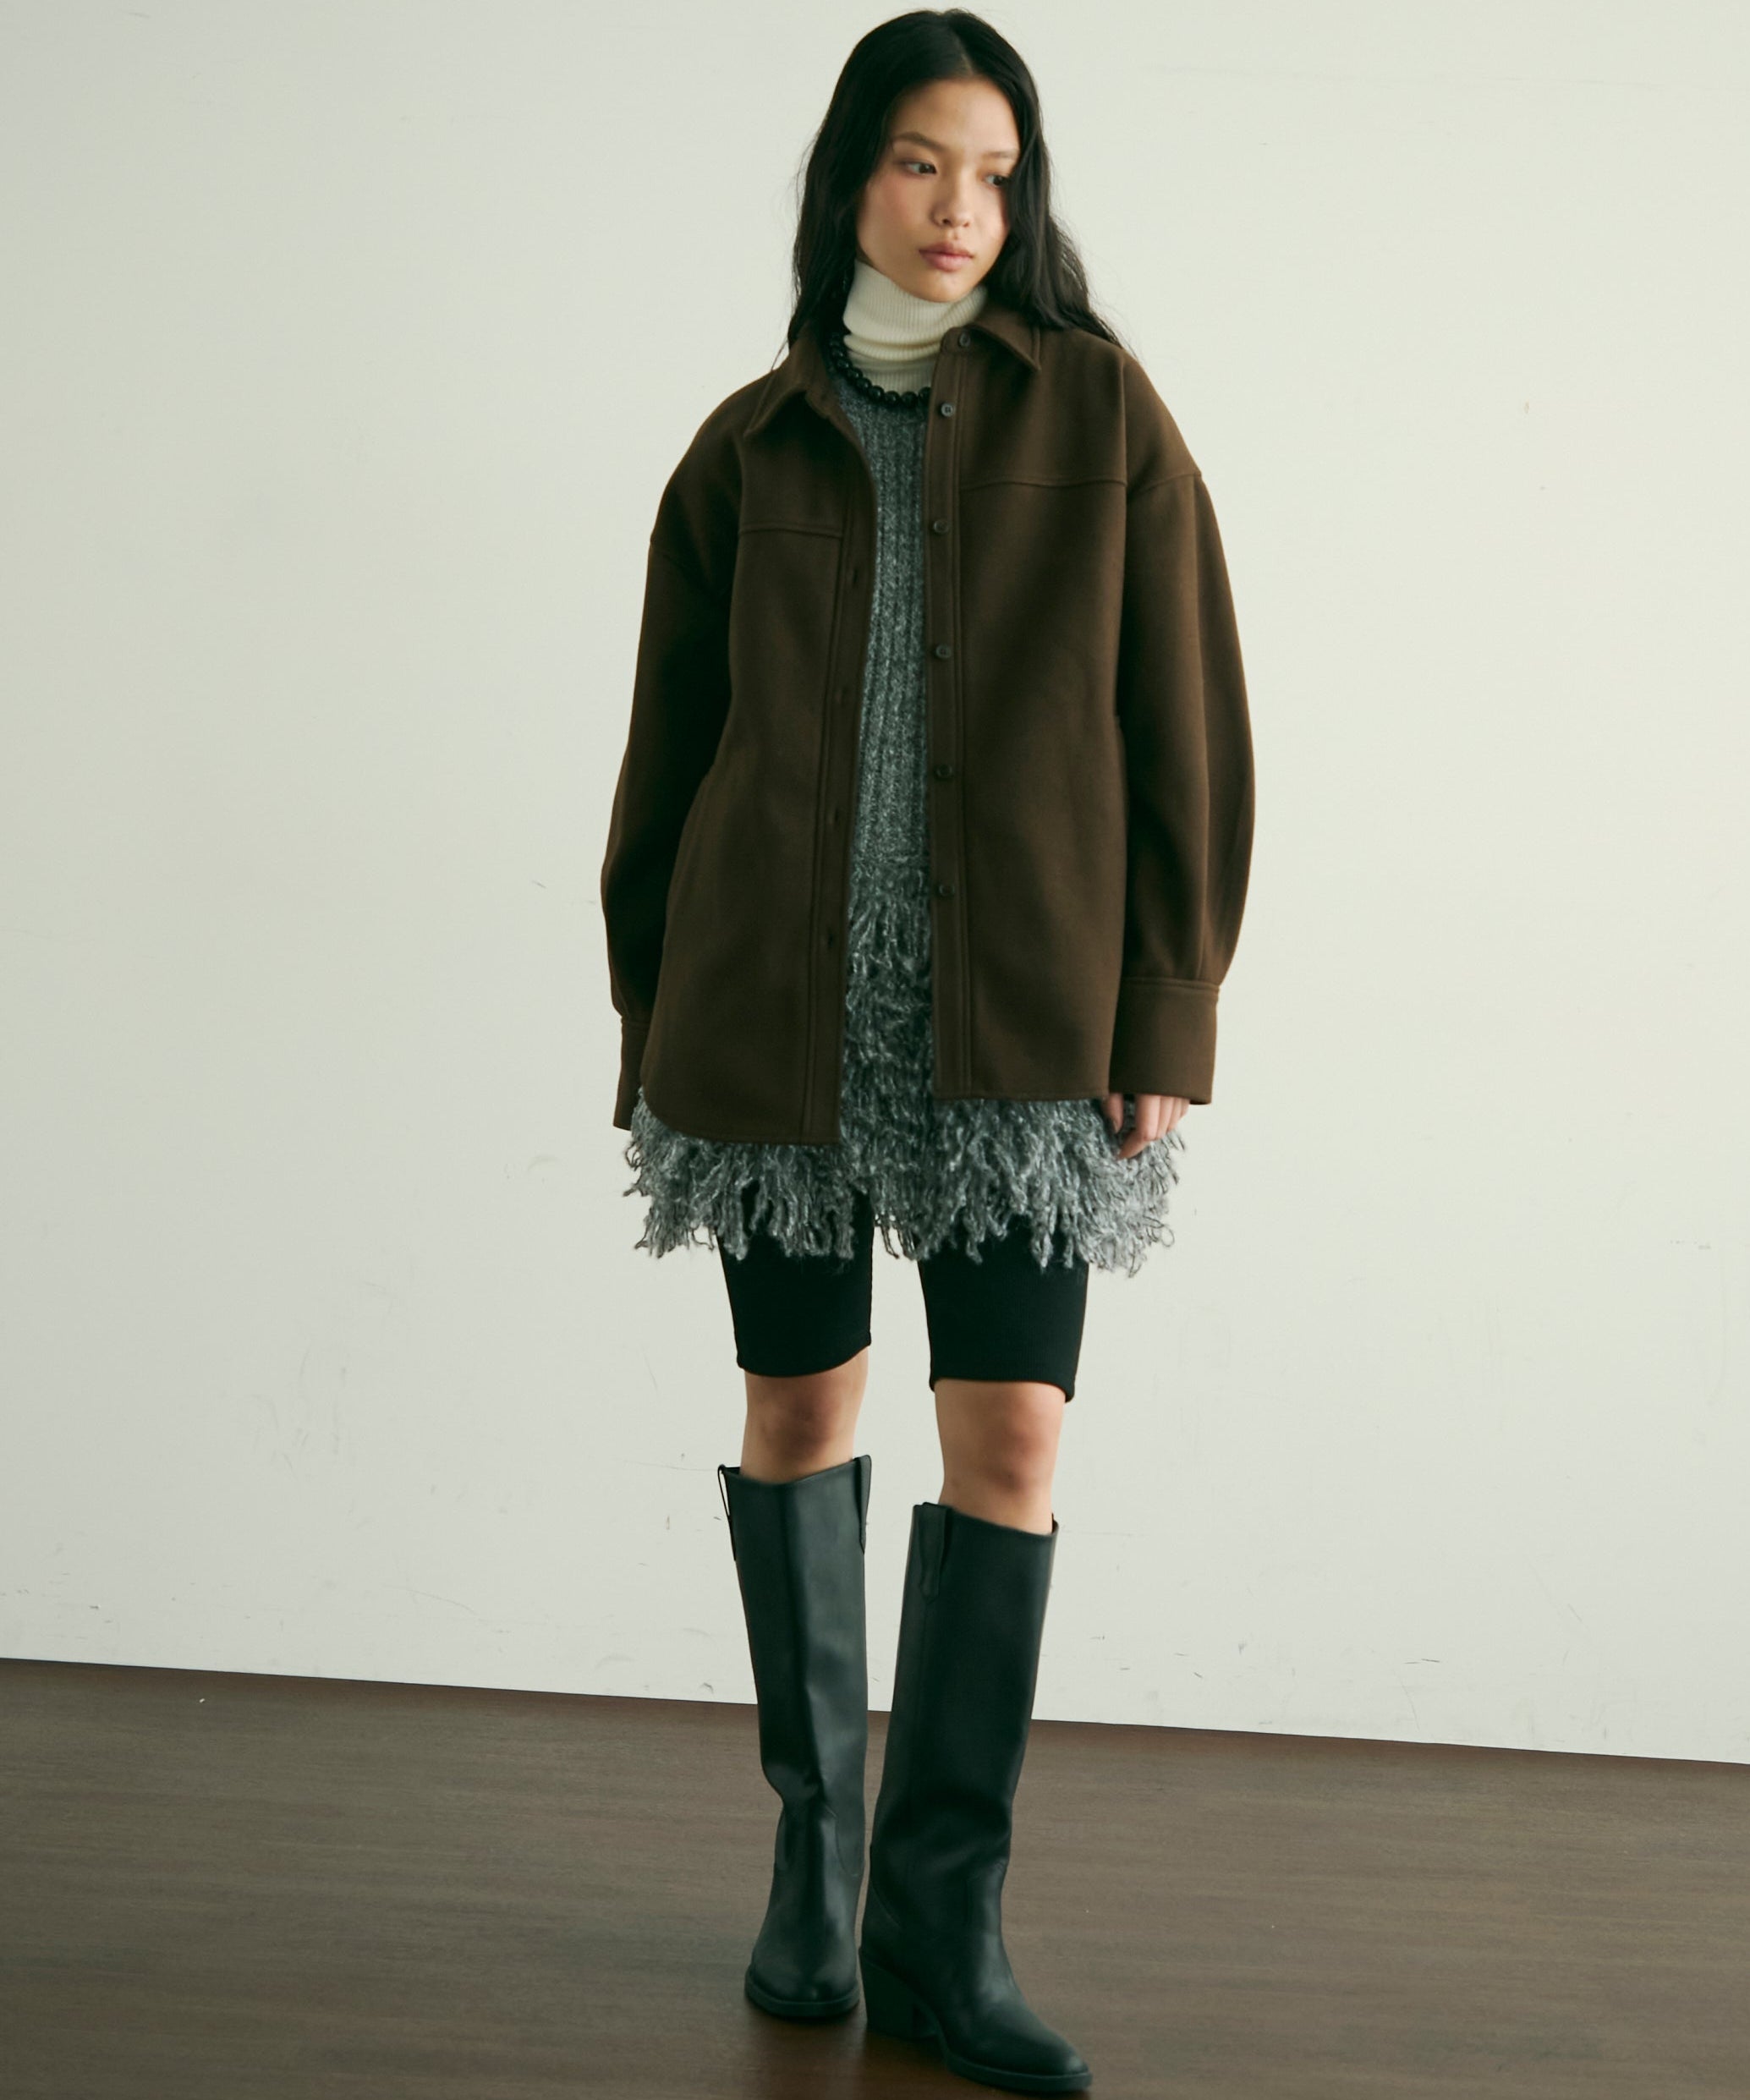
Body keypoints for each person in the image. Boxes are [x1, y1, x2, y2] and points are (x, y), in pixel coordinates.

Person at [599, 13, 1254, 2093]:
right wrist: (648, 1020)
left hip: (1023, 1021)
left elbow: (1188, 725)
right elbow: (666, 760)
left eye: (995, 171)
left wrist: (1166, 1008)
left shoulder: (1103, 416)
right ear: (850, 184)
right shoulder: (747, 447)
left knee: (1014, 1447)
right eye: (918, 163)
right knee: (798, 1411)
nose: (961, 209)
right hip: (772, 1020)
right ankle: (816, 1872)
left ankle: (943, 1925)